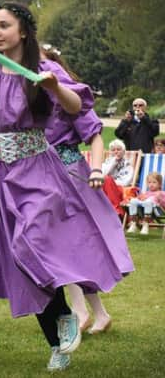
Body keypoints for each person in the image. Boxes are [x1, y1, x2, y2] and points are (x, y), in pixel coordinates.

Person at [0, 3, 128, 371]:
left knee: (28, 241)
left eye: (4, 25)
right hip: (2, 174)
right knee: (21, 261)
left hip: (37, 170)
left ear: (23, 32)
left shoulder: (42, 69)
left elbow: (75, 105)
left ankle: (67, 316)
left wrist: (53, 86)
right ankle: (58, 337)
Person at [42, 45, 133, 336]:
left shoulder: (70, 99)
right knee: (62, 247)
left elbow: (95, 137)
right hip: (43, 175)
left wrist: (95, 169)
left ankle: (86, 311)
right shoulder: (32, 101)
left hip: (69, 175)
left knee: (70, 245)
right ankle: (94, 312)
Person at [101, 139, 135, 216]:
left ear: (123, 151)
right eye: (113, 150)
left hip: (121, 190)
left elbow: (126, 182)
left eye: (118, 149)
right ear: (110, 152)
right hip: (106, 189)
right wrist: (113, 162)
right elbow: (102, 174)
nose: (116, 152)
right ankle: (116, 211)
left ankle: (116, 211)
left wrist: (112, 183)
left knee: (107, 180)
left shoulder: (127, 164)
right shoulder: (106, 163)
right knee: (104, 181)